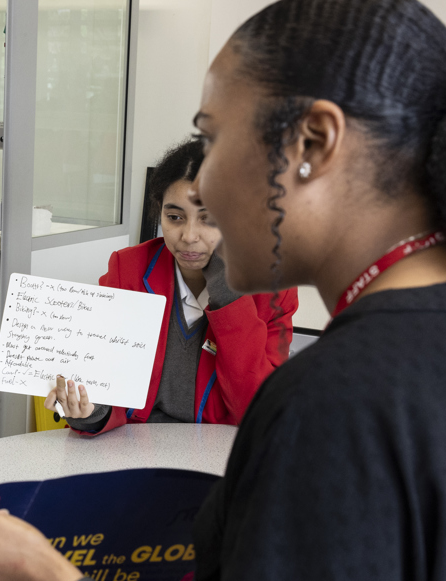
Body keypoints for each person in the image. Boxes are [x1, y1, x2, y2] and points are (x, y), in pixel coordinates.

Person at [0, 0, 446, 581]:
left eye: (212, 140)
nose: (200, 191)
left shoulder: (333, 405)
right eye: (175, 210)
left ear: (314, 141)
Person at [48, 138, 297, 432]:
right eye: (175, 217)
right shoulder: (127, 269)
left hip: (221, 451)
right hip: (134, 445)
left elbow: (258, 410)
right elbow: (105, 385)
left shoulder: (273, 291)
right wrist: (91, 414)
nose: (189, 236)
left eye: (210, 219)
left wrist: (228, 291)